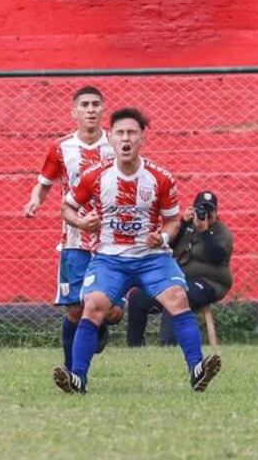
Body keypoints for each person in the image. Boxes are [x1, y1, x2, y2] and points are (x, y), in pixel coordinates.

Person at [53, 107, 221, 394]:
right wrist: (82, 221)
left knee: (178, 298)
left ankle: (197, 369)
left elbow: (171, 222)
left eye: (132, 132)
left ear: (142, 138)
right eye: (119, 133)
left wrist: (163, 238)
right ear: (111, 139)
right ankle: (78, 378)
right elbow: (66, 206)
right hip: (109, 258)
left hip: (151, 258)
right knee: (93, 305)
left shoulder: (160, 178)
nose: (126, 138)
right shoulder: (95, 176)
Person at [23, 86, 123, 372]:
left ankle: (101, 327)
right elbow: (43, 183)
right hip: (75, 238)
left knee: (113, 312)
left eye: (95, 104)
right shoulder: (61, 147)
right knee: (76, 310)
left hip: (112, 238)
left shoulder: (116, 143)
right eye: (85, 105)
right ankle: (71, 373)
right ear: (74, 112)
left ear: (103, 110)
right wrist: (34, 200)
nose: (91, 109)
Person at [126, 191, 233, 347]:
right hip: (178, 278)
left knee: (176, 295)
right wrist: (183, 223)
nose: (206, 215)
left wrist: (204, 232)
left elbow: (217, 257)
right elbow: (168, 246)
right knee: (137, 297)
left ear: (216, 213)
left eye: (210, 211)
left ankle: (168, 345)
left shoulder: (221, 232)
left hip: (210, 282)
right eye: (201, 210)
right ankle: (134, 347)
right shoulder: (186, 227)